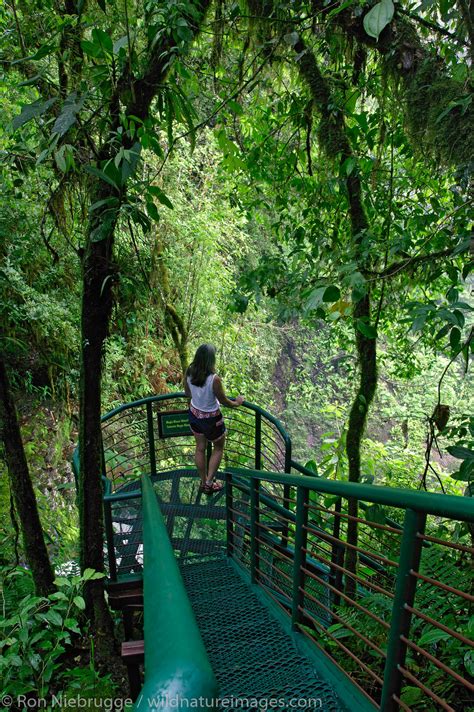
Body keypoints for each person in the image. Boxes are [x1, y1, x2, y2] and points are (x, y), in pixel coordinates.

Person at [184, 344, 244, 494]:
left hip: (194, 414)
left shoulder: (189, 371)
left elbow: (187, 393)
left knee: (200, 448)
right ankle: (209, 483)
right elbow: (224, 401)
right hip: (211, 420)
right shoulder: (214, 379)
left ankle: (203, 481)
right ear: (212, 360)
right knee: (218, 448)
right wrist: (237, 402)